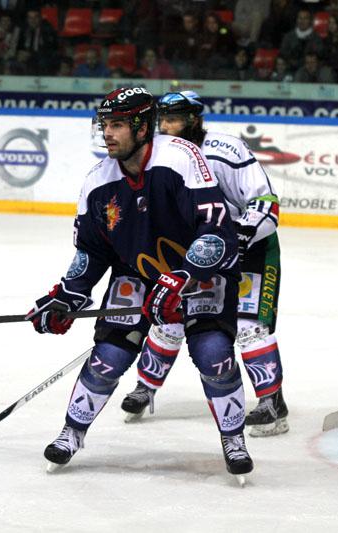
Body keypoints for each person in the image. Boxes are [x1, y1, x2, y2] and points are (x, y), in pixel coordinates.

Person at [28, 87, 253, 482]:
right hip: (138, 273)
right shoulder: (98, 181)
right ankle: (72, 432)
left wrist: (183, 277)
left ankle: (233, 438)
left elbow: (216, 230)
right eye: (105, 125)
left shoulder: (180, 158)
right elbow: (91, 251)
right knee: (108, 357)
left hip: (199, 271)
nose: (107, 133)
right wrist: (67, 295)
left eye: (117, 125)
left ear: (142, 127)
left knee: (214, 354)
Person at [121, 91, 288, 437]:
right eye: (162, 120)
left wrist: (240, 236)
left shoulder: (226, 150)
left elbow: (265, 202)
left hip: (249, 250)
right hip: (195, 252)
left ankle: (272, 403)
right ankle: (145, 387)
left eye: (173, 119)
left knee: (248, 326)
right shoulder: (158, 155)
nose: (165, 127)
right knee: (170, 317)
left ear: (194, 120)